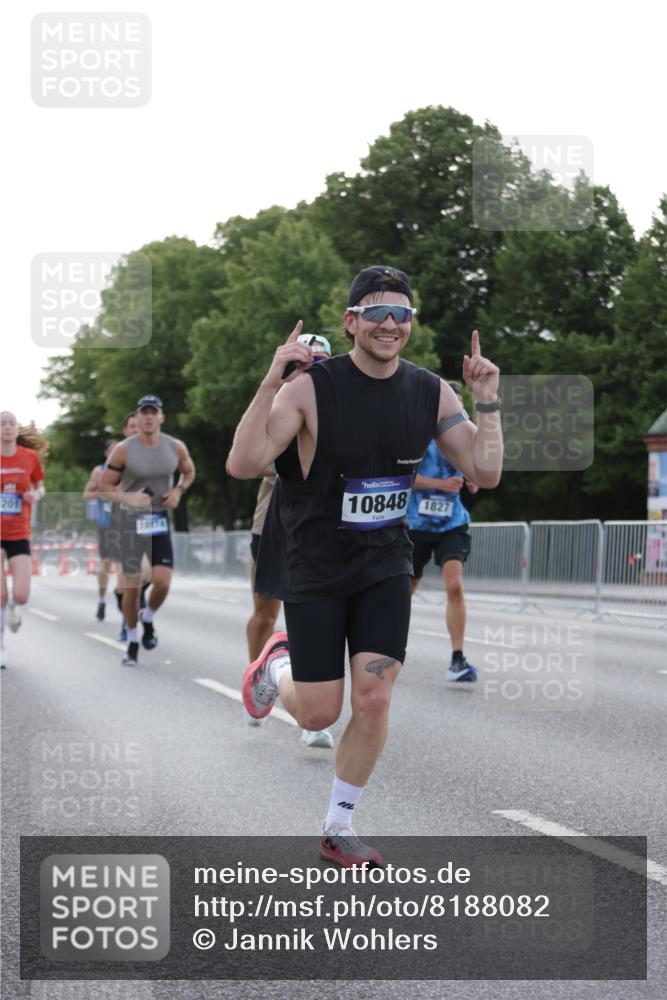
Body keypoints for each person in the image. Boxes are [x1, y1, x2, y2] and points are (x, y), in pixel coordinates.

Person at [227, 265, 502, 867]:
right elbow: (245, 463)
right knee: (323, 710)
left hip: (382, 562)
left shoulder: (431, 391)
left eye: (400, 312)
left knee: (374, 698)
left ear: (411, 324)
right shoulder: (310, 389)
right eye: (375, 311)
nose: (389, 323)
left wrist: (489, 403)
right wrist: (271, 381)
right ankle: (275, 668)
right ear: (351, 321)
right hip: (315, 565)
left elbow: (484, 472)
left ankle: (337, 826)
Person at [245, 333, 335, 749]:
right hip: (272, 526)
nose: (309, 369)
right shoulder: (274, 405)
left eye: (318, 362)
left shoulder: (337, 404)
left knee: (315, 618)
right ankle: (258, 676)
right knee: (265, 613)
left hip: (322, 530)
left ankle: (311, 717)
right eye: (302, 362)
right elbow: (250, 460)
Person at [100, 395, 195, 666]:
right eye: (144, 413)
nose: (149, 417)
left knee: (163, 582)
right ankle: (131, 641)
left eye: (154, 412)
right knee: (132, 588)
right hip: (130, 522)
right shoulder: (123, 450)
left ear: (162, 417)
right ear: (138, 417)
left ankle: (148, 617)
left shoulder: (175, 447)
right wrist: (128, 498)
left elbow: (188, 473)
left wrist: (178, 490)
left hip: (158, 519)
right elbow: (105, 488)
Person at [407, 382, 480, 682]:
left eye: (461, 407)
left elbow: (476, 473)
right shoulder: (417, 435)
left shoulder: (464, 436)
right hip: (416, 524)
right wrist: (439, 485)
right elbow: (404, 477)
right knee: (402, 592)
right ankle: (379, 649)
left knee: (455, 586)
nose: (456, 412)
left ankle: (457, 660)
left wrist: (474, 479)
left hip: (452, 522)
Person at [1, 412, 47, 669]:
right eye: (2, 424)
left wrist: (35, 495)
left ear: (17, 430)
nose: (7, 427)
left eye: (11, 424)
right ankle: (1, 646)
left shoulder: (29, 457)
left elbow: (40, 486)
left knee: (21, 594)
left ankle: (14, 609)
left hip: (19, 532)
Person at [83, 438, 122, 621]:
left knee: (125, 564)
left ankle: (122, 595)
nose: (115, 453)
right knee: (105, 564)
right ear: (106, 453)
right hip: (106, 523)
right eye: (112, 450)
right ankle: (101, 600)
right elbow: (86, 495)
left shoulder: (128, 470)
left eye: (118, 450)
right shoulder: (99, 471)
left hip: (125, 523)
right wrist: (102, 491)